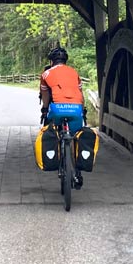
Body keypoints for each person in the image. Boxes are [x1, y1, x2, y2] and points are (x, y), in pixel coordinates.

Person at [39, 47, 85, 188]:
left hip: (57, 109)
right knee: (76, 136)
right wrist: (82, 110)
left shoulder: (46, 73)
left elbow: (45, 96)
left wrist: (45, 110)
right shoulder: (74, 72)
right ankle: (77, 171)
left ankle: (56, 157)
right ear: (65, 61)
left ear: (51, 61)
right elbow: (80, 94)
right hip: (76, 109)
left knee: (52, 130)